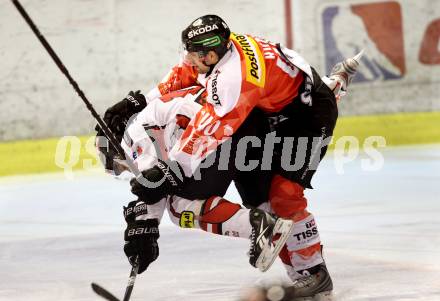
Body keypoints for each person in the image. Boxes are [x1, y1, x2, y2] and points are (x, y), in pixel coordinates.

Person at [123, 15, 361, 300]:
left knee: (284, 195)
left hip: (306, 119)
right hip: (267, 112)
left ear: (211, 54)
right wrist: (136, 102)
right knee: (257, 196)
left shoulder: (233, 79)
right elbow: (183, 74)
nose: (189, 61)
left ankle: (314, 274)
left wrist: (174, 170)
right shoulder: (223, 51)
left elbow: (210, 130)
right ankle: (333, 85)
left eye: (193, 55)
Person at [95, 86, 294, 274]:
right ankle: (304, 267)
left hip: (222, 132)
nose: (125, 168)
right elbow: (159, 179)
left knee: (178, 207)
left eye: (119, 165)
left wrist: (144, 228)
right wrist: (145, 222)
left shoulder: (133, 135)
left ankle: (257, 225)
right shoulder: (152, 113)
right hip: (251, 121)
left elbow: (154, 185)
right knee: (262, 200)